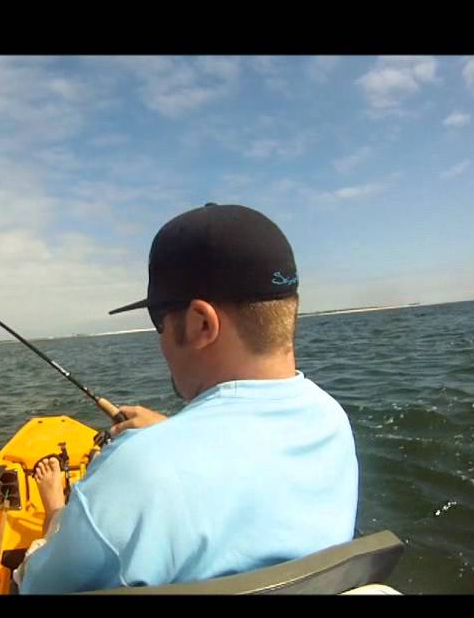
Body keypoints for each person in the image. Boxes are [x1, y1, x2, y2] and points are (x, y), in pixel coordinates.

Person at [18, 203, 358, 594]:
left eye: (158, 322)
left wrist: (56, 509)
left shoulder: (139, 471)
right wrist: (171, 432)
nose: (159, 340)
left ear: (201, 323)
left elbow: (39, 586)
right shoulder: (331, 420)